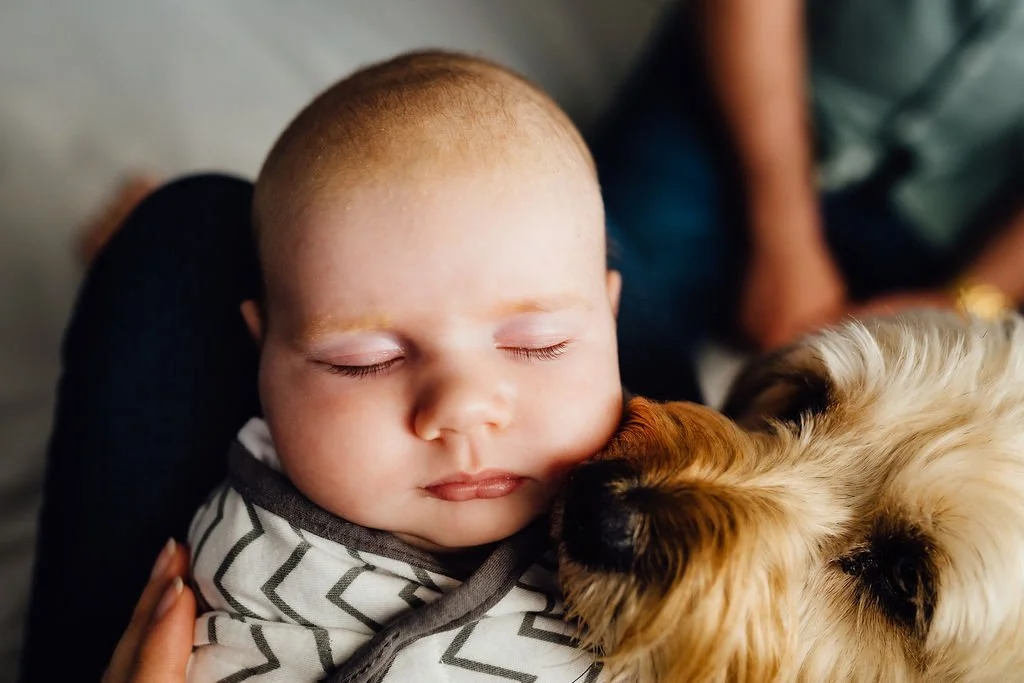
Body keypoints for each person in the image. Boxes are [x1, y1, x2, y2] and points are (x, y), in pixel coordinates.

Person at [24, 50, 625, 682]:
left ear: (611, 323)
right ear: (261, 354)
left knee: (184, 232)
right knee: (181, 237)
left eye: (539, 344)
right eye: (366, 360)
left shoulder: (671, 498)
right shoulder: (255, 554)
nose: (461, 408)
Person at [600, 0, 1024, 403]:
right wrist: (785, 243)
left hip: (956, 227)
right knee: (604, 340)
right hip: (749, 98)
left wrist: (965, 302)